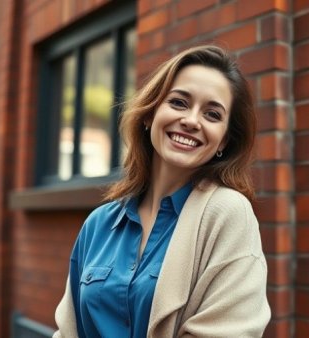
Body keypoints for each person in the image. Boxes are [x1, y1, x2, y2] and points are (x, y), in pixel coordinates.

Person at [53, 45, 270, 338]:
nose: (192, 121)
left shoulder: (228, 214)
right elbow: (68, 331)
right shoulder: (98, 224)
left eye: (212, 114)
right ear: (149, 115)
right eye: (179, 103)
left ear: (223, 142)